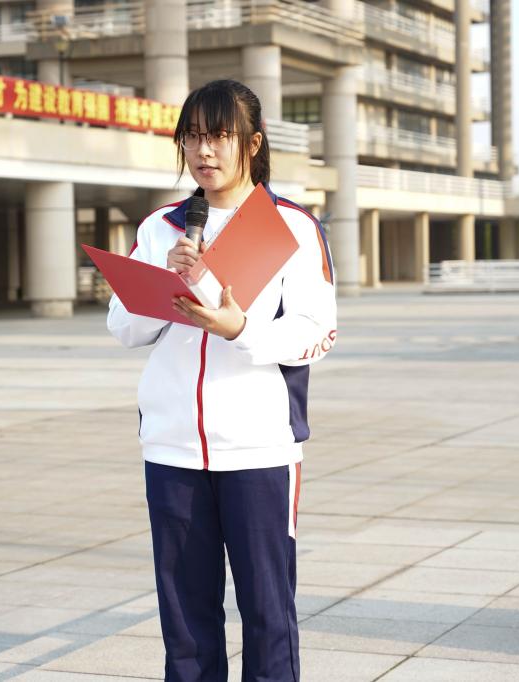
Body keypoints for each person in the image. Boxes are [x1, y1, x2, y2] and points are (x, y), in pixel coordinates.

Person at [107, 79, 337, 682]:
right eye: (192, 137)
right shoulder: (162, 227)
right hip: (172, 448)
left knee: (267, 612)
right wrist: (165, 282)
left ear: (252, 144)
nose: (203, 151)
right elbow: (123, 327)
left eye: (219, 136)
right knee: (185, 620)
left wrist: (241, 329)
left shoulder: (291, 227)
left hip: (258, 450)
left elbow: (319, 332)